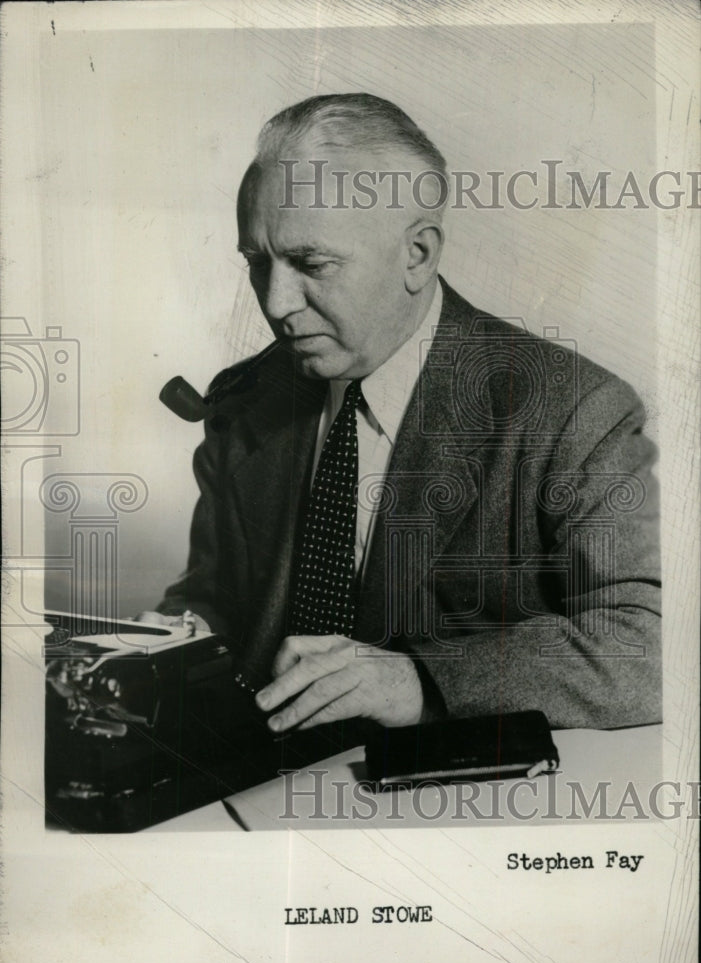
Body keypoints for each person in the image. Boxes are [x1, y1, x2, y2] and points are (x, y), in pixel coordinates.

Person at [145, 93, 661, 737]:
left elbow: (647, 645)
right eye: (258, 263)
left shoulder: (575, 410)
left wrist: (418, 680)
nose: (276, 304)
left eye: (311, 264)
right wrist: (151, 646)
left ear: (417, 254)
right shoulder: (245, 400)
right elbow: (213, 600)